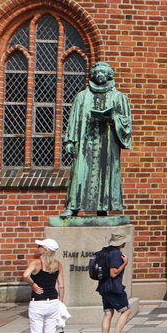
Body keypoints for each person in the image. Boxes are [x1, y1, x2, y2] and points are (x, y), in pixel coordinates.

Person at [61, 61, 132, 217]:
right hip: (85, 142)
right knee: (79, 173)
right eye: (97, 72)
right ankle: (73, 207)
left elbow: (126, 123)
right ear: (93, 75)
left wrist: (114, 117)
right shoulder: (82, 96)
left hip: (108, 143)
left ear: (108, 75)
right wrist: (69, 140)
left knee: (106, 173)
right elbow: (73, 119)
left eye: (103, 73)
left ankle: (103, 207)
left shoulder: (119, 97)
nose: (100, 75)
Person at [24, 238, 66, 333]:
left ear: (45, 249)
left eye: (40, 246)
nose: (37, 247)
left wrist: (33, 284)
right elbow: (61, 285)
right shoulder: (57, 265)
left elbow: (25, 275)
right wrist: (60, 302)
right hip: (53, 301)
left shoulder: (36, 263)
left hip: (38, 302)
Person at [97, 232, 132, 333]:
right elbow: (113, 273)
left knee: (108, 313)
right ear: (121, 243)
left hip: (103, 286)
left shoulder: (105, 251)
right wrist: (125, 264)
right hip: (114, 287)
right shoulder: (115, 254)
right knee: (126, 310)